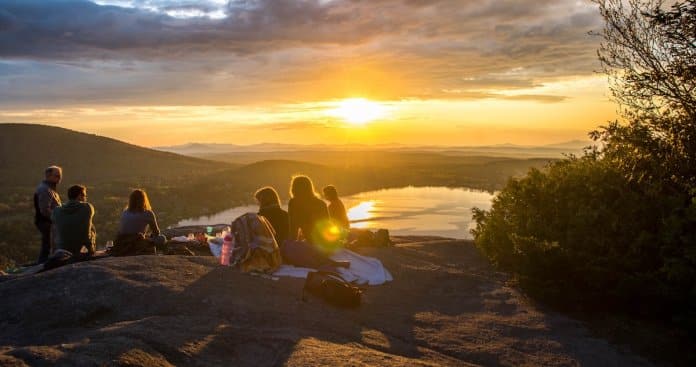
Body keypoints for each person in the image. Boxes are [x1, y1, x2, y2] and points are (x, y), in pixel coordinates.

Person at [51, 185, 96, 258]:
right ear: (79, 196)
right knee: (91, 227)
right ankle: (89, 249)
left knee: (56, 227)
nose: (85, 198)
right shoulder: (88, 207)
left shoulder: (56, 211)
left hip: (62, 249)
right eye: (84, 196)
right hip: (83, 250)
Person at [288, 175, 330, 245]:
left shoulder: (294, 203)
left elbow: (293, 230)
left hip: (311, 244)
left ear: (294, 189)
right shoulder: (321, 203)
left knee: (286, 246)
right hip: (325, 244)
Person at [34, 166, 63, 263]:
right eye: (57, 176)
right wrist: (57, 218)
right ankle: (43, 266)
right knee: (48, 246)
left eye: (60, 176)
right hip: (46, 222)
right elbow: (45, 210)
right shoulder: (45, 189)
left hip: (48, 222)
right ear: (48, 175)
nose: (59, 178)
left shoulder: (50, 189)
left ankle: (44, 265)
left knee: (49, 245)